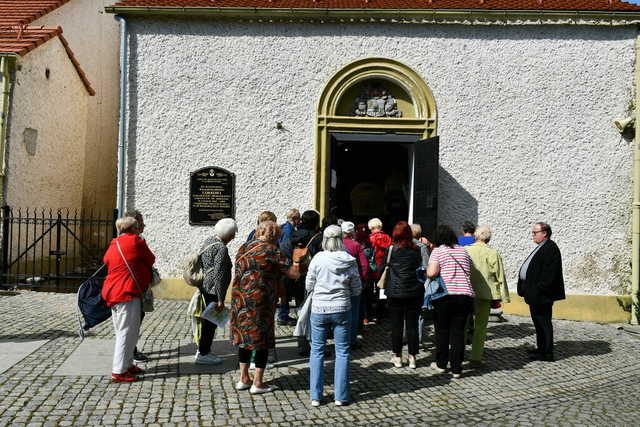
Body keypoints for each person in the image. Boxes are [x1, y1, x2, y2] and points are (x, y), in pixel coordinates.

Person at [231, 221, 300, 394]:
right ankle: (258, 383)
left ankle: (243, 378)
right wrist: (299, 260)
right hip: (260, 301)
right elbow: (293, 273)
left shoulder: (244, 247)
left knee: (245, 338)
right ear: (275, 235)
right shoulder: (272, 250)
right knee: (261, 340)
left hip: (240, 299)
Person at [306, 225, 361, 406]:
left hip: (320, 308)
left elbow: (309, 285)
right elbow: (356, 288)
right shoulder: (349, 260)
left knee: (317, 351)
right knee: (343, 351)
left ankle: (316, 395)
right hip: (341, 308)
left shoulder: (318, 258)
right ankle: (341, 396)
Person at [102, 216, 155, 382]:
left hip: (113, 291)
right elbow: (151, 259)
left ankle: (127, 364)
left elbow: (106, 261)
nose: (139, 229)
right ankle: (118, 371)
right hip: (127, 291)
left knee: (127, 330)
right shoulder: (136, 241)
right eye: (137, 227)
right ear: (133, 229)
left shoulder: (114, 243)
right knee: (126, 332)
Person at [427, 224, 475, 379]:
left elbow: (432, 272)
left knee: (442, 331)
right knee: (458, 332)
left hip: (445, 296)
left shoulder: (438, 251)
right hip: (464, 295)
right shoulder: (463, 251)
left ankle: (441, 364)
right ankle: (457, 368)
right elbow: (469, 271)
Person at [517, 222, 565, 362]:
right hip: (535, 293)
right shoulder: (541, 247)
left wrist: (537, 289)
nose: (533, 235)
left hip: (542, 295)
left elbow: (550, 275)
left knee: (544, 322)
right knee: (538, 322)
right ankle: (541, 349)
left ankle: (547, 353)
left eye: (535, 232)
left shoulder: (550, 248)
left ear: (544, 233)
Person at [465, 225, 510, 365]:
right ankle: (476, 356)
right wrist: (503, 296)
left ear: (476, 236)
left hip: (466, 292)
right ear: (488, 238)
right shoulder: (493, 253)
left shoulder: (465, 250)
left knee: (463, 325)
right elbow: (500, 275)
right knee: (481, 327)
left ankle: (458, 354)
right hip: (485, 293)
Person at [195, 218, 237, 364]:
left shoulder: (209, 240)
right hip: (213, 289)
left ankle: (203, 350)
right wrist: (220, 298)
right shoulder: (221, 248)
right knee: (210, 323)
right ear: (229, 235)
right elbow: (219, 273)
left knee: (207, 320)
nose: (234, 237)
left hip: (206, 286)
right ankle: (203, 353)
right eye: (233, 234)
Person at [280, 210, 323, 355]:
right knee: (313, 312)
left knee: (300, 310)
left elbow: (284, 250)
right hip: (312, 278)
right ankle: (314, 345)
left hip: (295, 276)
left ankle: (302, 345)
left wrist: (292, 266)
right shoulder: (317, 237)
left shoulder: (293, 234)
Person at [382, 221, 423, 369]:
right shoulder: (416, 250)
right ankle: (412, 357)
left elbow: (382, 268)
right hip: (414, 291)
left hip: (395, 292)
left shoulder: (391, 249)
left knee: (396, 325)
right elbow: (419, 267)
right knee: (412, 325)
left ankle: (397, 356)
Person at [124, 209, 151, 364]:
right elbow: (149, 259)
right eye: (141, 222)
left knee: (137, 318)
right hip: (133, 287)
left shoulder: (135, 239)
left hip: (138, 285)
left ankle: (130, 350)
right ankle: (130, 352)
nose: (144, 225)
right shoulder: (135, 241)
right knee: (133, 320)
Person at [341, 221, 369, 348]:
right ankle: (351, 340)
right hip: (353, 281)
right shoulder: (356, 245)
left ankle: (340, 337)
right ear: (352, 232)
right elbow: (364, 265)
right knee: (353, 311)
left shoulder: (338, 244)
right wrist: (363, 279)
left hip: (338, 282)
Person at [276, 209, 301, 325]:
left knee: (285, 291)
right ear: (295, 219)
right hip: (286, 264)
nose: (299, 221)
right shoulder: (288, 230)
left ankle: (283, 314)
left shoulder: (284, 227)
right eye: (298, 219)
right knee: (285, 291)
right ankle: (283, 316)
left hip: (283, 263)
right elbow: (285, 247)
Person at [368, 218, 391, 320]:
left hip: (373, 268)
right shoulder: (387, 237)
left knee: (370, 289)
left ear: (371, 227)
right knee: (382, 289)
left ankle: (371, 312)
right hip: (384, 267)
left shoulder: (371, 238)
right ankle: (382, 312)